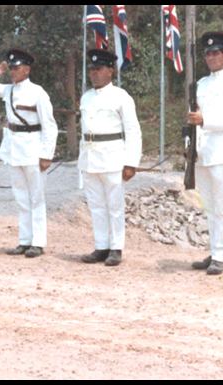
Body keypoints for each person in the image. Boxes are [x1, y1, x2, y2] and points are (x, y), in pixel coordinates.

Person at [0, 48, 58, 258]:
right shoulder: (8, 90)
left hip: (33, 148)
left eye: (16, 68)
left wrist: (46, 155)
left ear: (27, 69)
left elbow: (49, 126)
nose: (13, 71)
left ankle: (38, 242)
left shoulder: (38, 92)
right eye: (11, 68)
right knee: (21, 197)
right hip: (14, 149)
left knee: (37, 198)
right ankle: (24, 241)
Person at [79, 49, 142, 267]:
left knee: (115, 206)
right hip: (90, 157)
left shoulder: (121, 97)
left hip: (113, 157)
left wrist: (131, 163)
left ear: (110, 71)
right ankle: (101, 246)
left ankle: (116, 248)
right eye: (92, 69)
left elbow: (133, 131)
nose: (94, 73)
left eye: (98, 69)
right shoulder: (86, 97)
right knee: (96, 205)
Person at [189, 32, 223, 276]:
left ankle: (219, 254)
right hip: (203, 153)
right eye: (208, 53)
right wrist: (189, 148)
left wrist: (206, 120)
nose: (211, 57)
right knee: (209, 207)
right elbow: (192, 118)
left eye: (216, 52)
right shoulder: (200, 85)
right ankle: (217, 251)